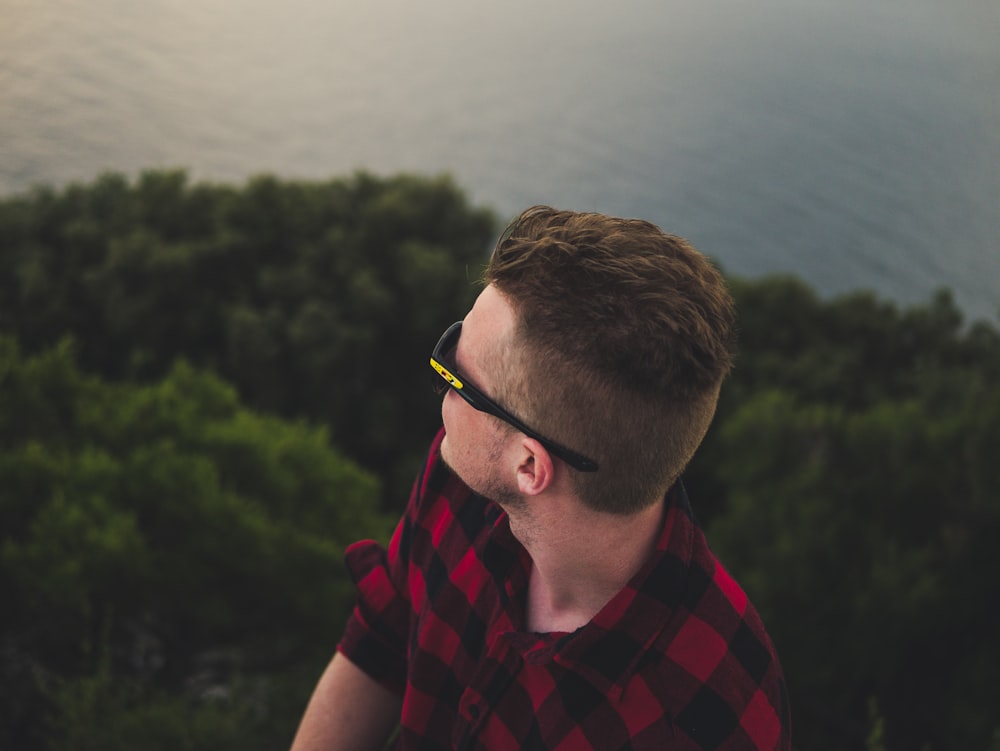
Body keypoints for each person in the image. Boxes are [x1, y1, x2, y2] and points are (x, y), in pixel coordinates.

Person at [290, 206, 791, 750]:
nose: (442, 387)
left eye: (457, 375)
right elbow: (384, 636)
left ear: (530, 466)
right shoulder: (461, 481)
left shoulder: (701, 719)